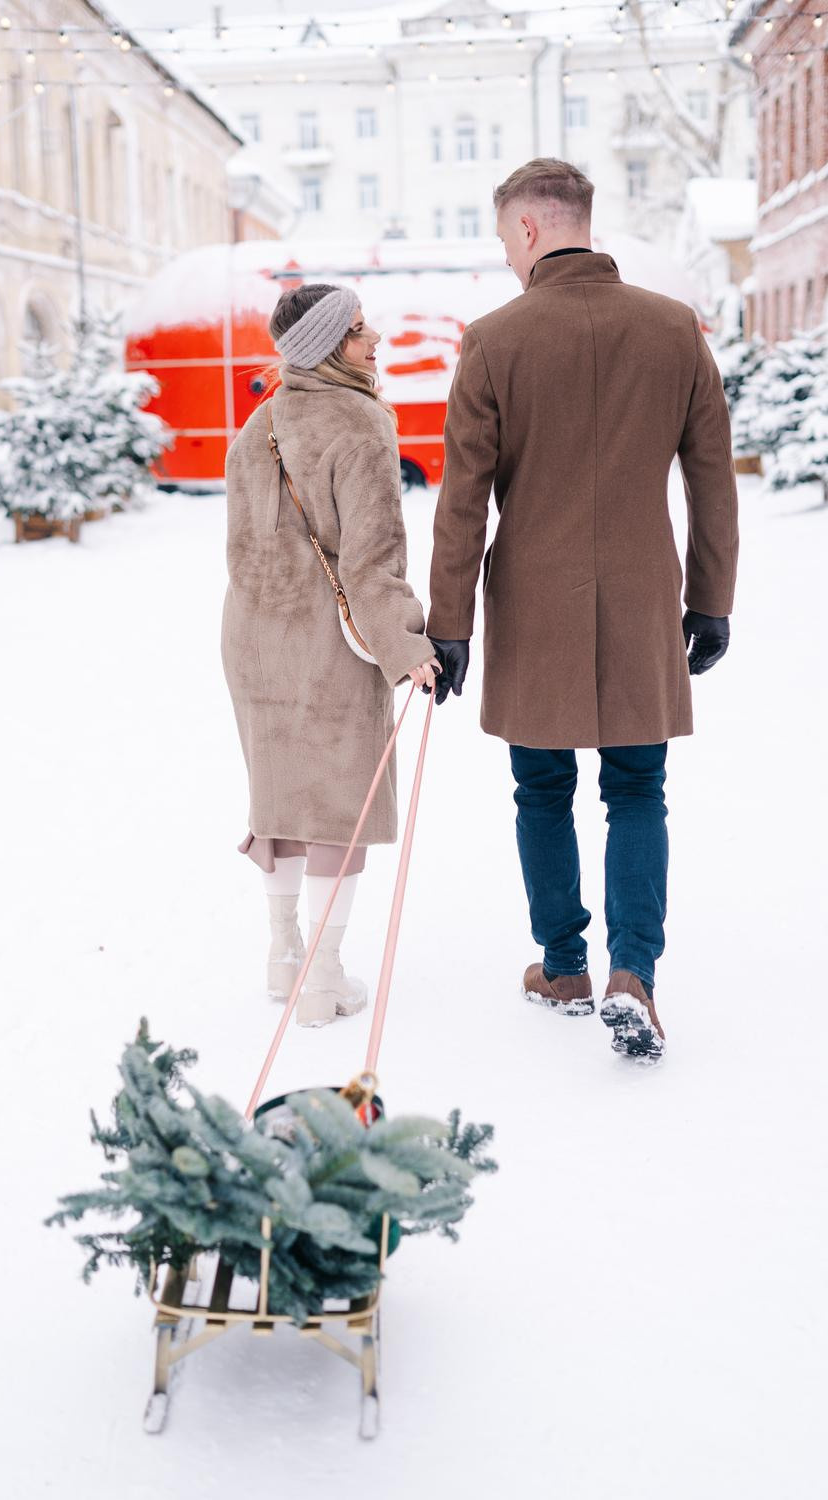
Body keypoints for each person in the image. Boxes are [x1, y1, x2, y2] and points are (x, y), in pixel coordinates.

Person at [426, 159, 739, 1062]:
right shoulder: (675, 329)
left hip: (533, 600)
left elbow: (462, 499)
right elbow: (711, 479)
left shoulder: (493, 340)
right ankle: (633, 972)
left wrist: (451, 625)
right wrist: (711, 599)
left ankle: (564, 963)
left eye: (502, 239)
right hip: (645, 596)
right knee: (639, 787)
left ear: (526, 229)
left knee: (543, 788)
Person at [222, 283, 440, 1028]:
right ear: (323, 346)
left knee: (282, 800)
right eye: (355, 330)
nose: (372, 337)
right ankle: (324, 978)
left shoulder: (258, 425)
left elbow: (244, 548)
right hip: (325, 645)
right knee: (337, 810)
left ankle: (285, 960)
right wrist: (407, 646)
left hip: (252, 637)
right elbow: (371, 562)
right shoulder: (360, 423)